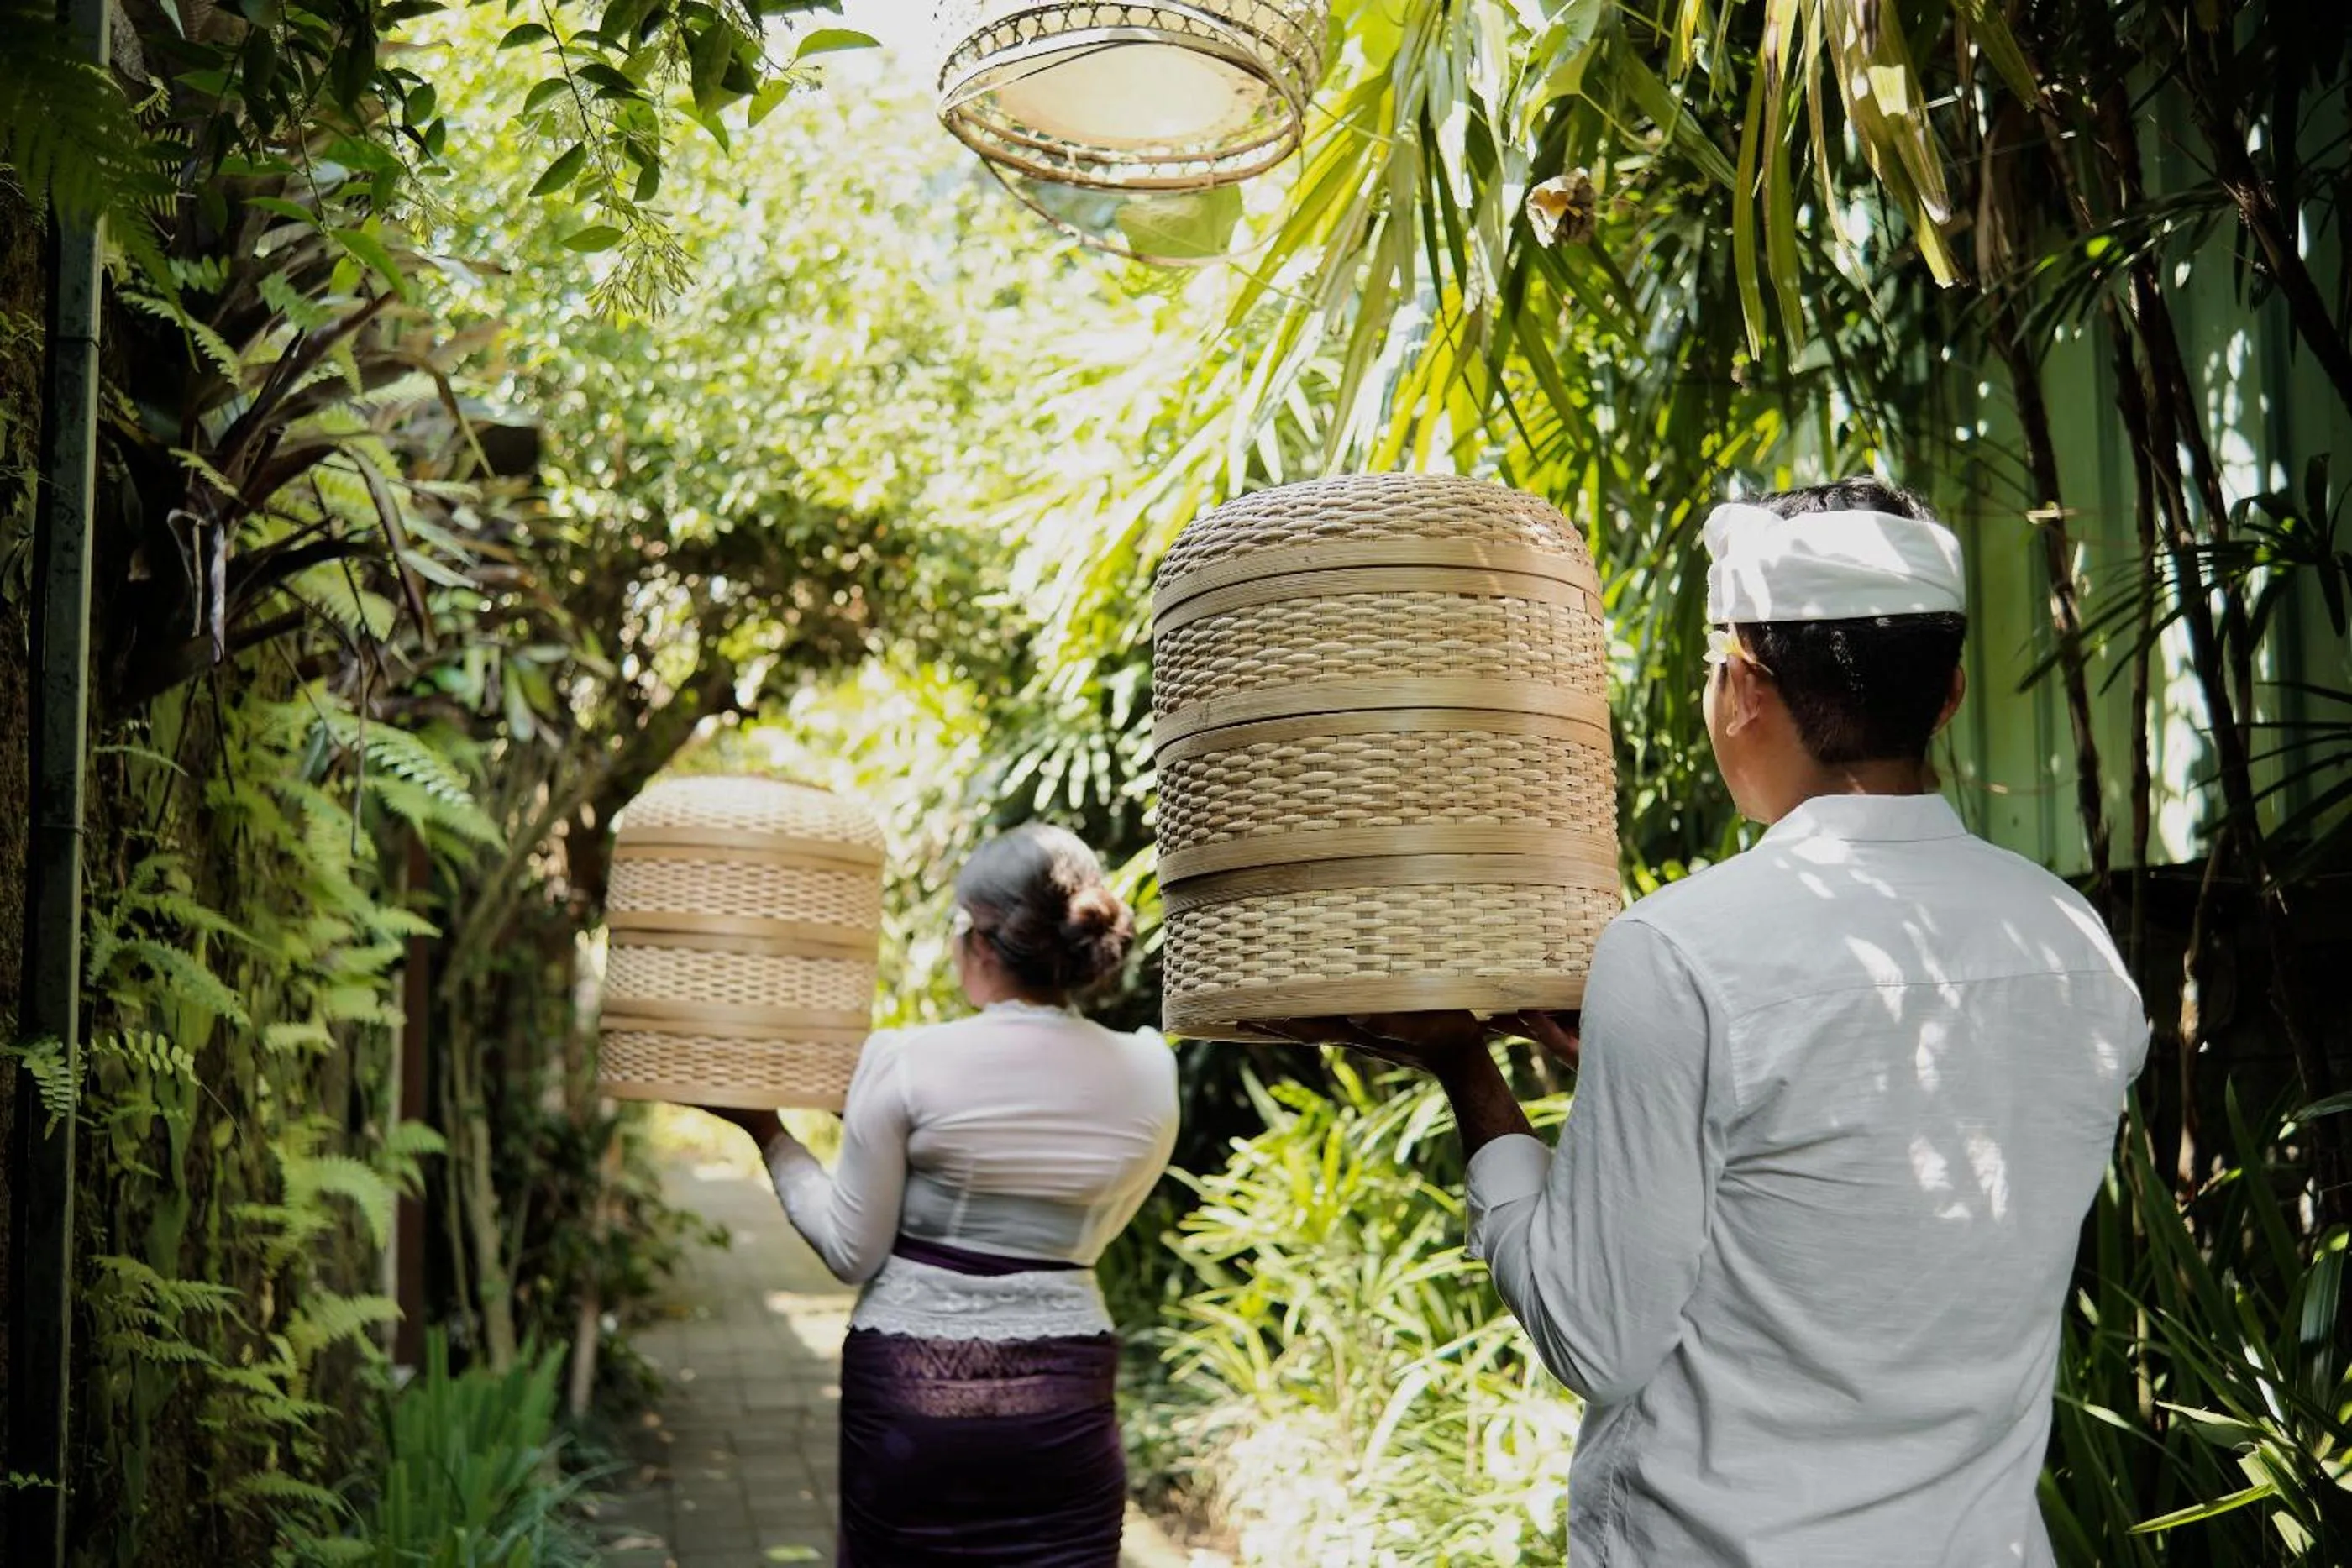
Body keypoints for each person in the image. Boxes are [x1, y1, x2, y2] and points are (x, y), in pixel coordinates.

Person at [1305, 479, 2149, 1566]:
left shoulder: (1680, 948)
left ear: (1743, 685)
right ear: (1948, 695)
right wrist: (1629, 1067)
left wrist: (1467, 1069)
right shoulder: (2072, 943)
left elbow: (1592, 1332)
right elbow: (1848, 1192)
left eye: (1716, 666)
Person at [699, 823, 1179, 1567]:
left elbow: (851, 1252)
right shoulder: (1150, 1071)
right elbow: (1051, 1198)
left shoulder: (906, 1061)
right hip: (1065, 1404)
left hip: (916, 1398)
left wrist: (769, 1133)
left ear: (981, 942)